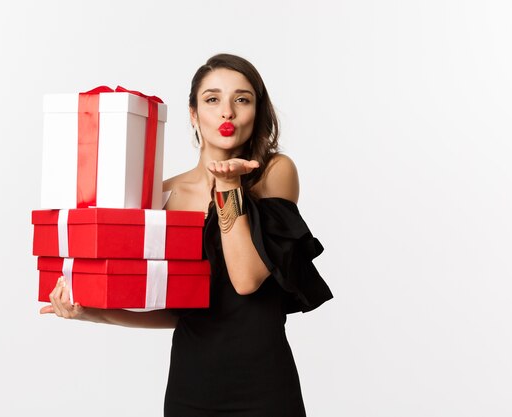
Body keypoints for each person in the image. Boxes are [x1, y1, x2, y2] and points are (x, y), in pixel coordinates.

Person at [40, 53, 333, 416]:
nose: (227, 112)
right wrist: (93, 313)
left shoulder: (274, 172)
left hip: (266, 386)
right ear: (193, 114)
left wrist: (228, 186)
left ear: (256, 111)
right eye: (212, 100)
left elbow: (246, 279)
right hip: (192, 388)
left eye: (242, 99)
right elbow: (177, 311)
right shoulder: (164, 196)